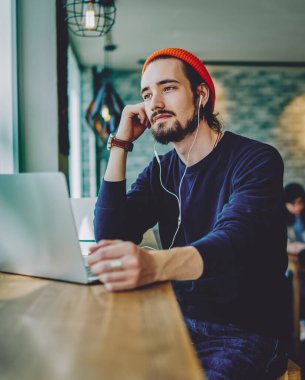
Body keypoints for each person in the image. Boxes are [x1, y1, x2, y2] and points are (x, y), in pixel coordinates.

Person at [88, 48, 289, 379]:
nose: (154, 103)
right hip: (175, 320)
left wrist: (154, 265)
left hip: (244, 335)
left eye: (168, 88)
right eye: (147, 94)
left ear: (201, 95)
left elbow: (234, 238)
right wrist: (120, 144)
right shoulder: (161, 171)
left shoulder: (257, 159)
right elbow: (109, 236)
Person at [284, 183, 305, 320]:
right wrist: (289, 246)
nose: (297, 207)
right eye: (293, 203)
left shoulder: (302, 217)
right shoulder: (278, 216)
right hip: (288, 262)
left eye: (300, 202)